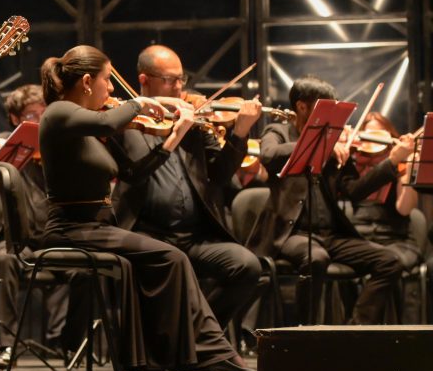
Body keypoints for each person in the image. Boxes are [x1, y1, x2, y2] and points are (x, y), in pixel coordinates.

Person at [38, 44, 256, 371]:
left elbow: (134, 174)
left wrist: (173, 139)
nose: (110, 89)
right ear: (86, 81)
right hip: (71, 227)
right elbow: (110, 121)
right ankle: (211, 350)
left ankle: (151, 360)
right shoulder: (59, 113)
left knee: (161, 260)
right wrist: (139, 103)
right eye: (107, 80)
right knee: (171, 257)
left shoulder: (90, 128)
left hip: (98, 226)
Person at [113, 45, 262, 328]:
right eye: (170, 80)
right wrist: (172, 134)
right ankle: (193, 343)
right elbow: (133, 174)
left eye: (182, 79)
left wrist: (240, 133)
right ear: (144, 80)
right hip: (148, 235)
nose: (180, 87)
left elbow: (220, 175)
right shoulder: (127, 122)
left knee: (247, 266)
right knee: (169, 264)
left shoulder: (195, 121)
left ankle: (198, 336)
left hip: (194, 238)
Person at [246, 75, 412, 324]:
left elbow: (355, 190)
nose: (333, 118)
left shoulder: (333, 143)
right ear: (302, 106)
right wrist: (314, 142)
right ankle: (306, 333)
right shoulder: (278, 131)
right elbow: (268, 155)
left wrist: (392, 161)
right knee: (316, 259)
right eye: (326, 108)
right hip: (292, 233)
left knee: (389, 262)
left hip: (332, 235)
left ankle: (354, 330)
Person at [0, 84, 85, 367]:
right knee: (3, 261)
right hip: (20, 244)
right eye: (33, 115)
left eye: (45, 114)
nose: (41, 121)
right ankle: (5, 345)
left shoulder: (59, 151)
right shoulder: (9, 149)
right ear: (17, 119)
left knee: (84, 270)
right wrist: (2, 145)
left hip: (55, 239)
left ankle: (64, 342)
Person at [349, 112, 422, 322]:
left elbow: (404, 209)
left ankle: (374, 330)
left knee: (391, 263)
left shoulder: (400, 164)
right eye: (368, 135)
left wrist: (410, 169)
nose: (373, 142)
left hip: (396, 238)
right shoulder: (354, 164)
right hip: (361, 238)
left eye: (379, 136)